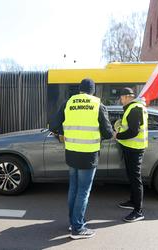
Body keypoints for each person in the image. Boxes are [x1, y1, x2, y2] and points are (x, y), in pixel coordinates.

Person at [50, 78, 113, 239]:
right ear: (93, 90)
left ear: (80, 90)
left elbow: (53, 126)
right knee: (83, 191)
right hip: (89, 154)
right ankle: (77, 228)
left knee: (74, 188)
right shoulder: (97, 104)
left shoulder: (69, 103)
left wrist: (62, 134)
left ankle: (73, 221)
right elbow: (107, 132)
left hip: (71, 152)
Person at [114, 87, 148, 223]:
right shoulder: (133, 108)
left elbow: (133, 131)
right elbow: (129, 127)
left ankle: (138, 211)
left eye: (121, 98)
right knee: (132, 177)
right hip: (131, 147)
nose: (120, 100)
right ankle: (133, 201)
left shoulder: (135, 108)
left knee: (135, 179)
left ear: (128, 97)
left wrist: (118, 135)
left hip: (135, 148)